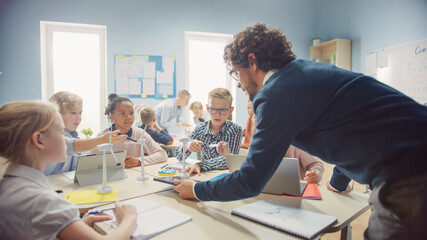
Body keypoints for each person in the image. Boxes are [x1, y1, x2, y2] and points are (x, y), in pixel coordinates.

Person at [173, 23, 427, 239]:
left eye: (236, 73)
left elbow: (251, 180)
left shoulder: (274, 94)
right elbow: (353, 126)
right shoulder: (304, 73)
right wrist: (338, 181)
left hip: (410, 170)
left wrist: (197, 190)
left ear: (252, 61)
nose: (238, 84)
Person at [0, 100, 137, 239]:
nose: (67, 141)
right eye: (61, 133)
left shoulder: (11, 186)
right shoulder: (40, 200)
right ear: (39, 140)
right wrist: (129, 218)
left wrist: (70, 224)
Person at [44, 91, 126, 175]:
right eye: (73, 113)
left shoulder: (74, 137)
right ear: (56, 114)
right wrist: (103, 140)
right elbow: (70, 145)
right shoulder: (50, 136)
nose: (78, 118)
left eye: (80, 113)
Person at [175, 88, 242, 175]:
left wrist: (201, 165)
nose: (217, 114)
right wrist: (187, 147)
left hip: (224, 179)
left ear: (230, 110)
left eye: (223, 110)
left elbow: (228, 160)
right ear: (207, 108)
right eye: (213, 109)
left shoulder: (235, 129)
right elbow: (178, 155)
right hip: (203, 176)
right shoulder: (200, 128)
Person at [93, 93, 167, 168]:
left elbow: (162, 154)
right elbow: (91, 162)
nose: (129, 117)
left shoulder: (140, 133)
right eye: (122, 113)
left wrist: (139, 161)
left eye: (131, 113)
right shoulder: (102, 137)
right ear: (111, 116)